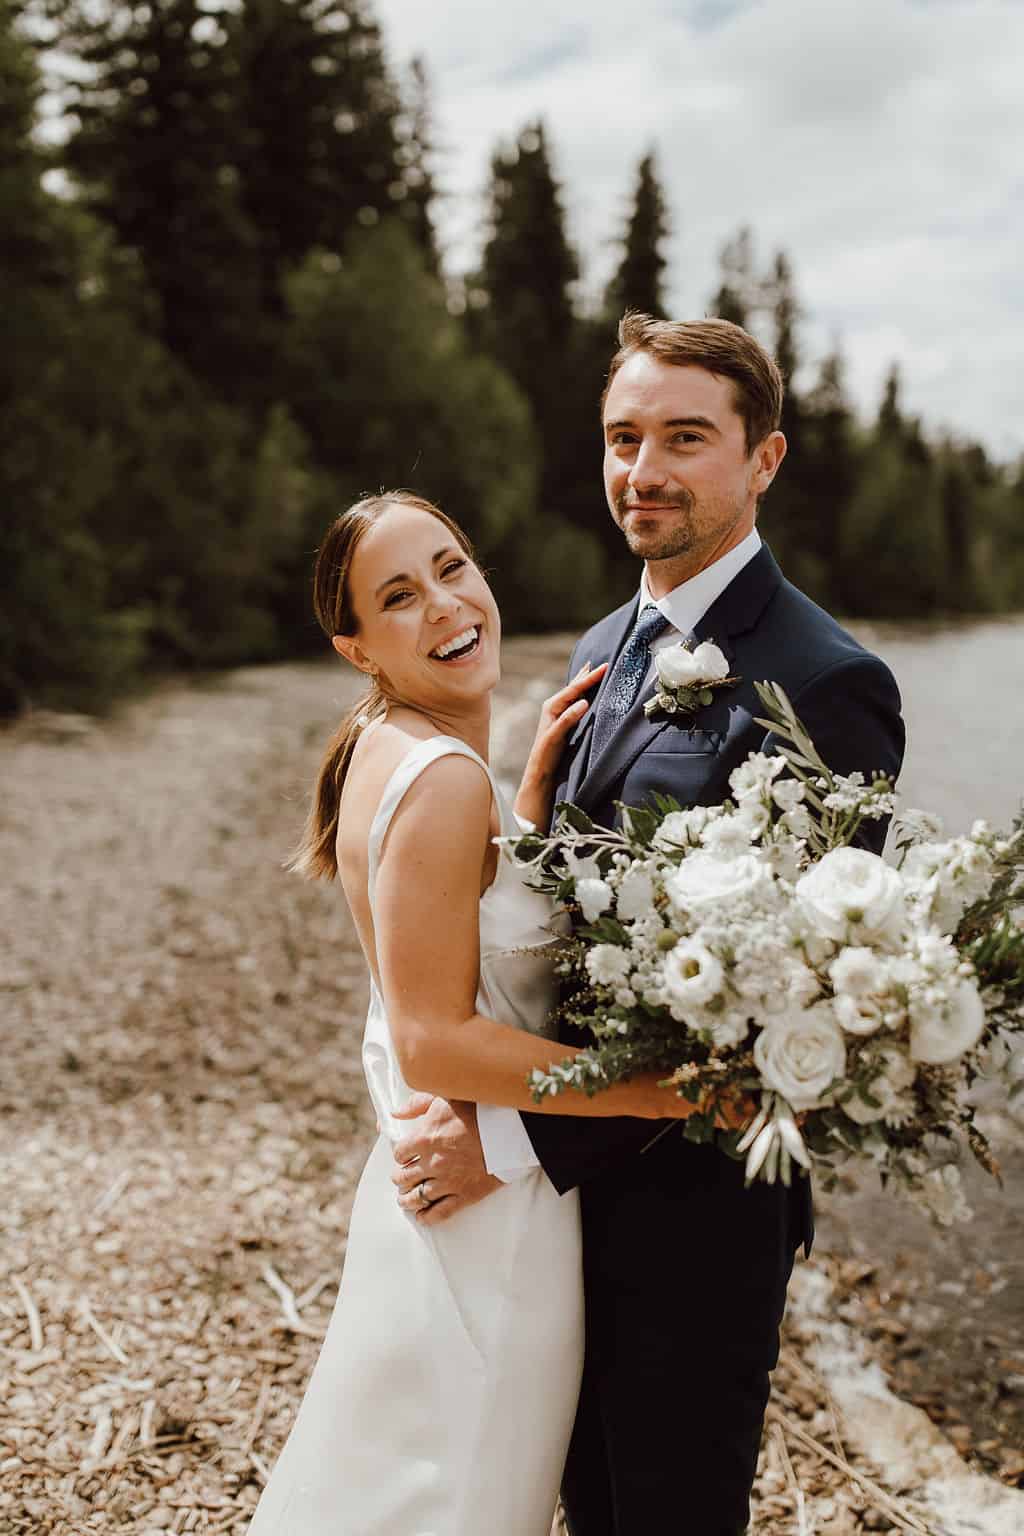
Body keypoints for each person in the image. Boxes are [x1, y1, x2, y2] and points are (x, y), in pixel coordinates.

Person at [390, 316, 907, 1536]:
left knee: (667, 1507)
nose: (644, 471)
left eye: (685, 438)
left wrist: (514, 1146)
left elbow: (782, 1008)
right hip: (557, 1205)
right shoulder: (602, 646)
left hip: (696, 1212)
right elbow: (570, 914)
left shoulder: (828, 681)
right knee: (580, 1497)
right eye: (624, 438)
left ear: (763, 460)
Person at [245, 489, 742, 1536]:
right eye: (398, 597)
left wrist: (524, 813)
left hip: (428, 1198)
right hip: (489, 1226)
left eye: (450, 566)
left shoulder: (381, 745)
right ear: (358, 647)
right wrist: (663, 1091)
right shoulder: (440, 779)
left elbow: (427, 953)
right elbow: (433, 1037)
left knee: (400, 1476)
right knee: (466, 1492)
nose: (444, 604)